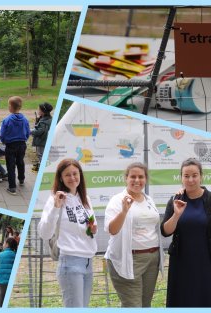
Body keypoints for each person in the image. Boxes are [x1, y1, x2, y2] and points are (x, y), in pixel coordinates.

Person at [161, 158, 211, 307]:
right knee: (181, 301)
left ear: (201, 176)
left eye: (194, 175)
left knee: (206, 301)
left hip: (206, 264)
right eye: (186, 176)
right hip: (181, 264)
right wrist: (176, 214)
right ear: (181, 177)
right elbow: (165, 232)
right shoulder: (175, 199)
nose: (190, 180)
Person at [38, 158, 98, 307]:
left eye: (75, 173)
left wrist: (92, 229)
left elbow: (89, 227)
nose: (72, 178)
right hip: (70, 262)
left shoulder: (85, 199)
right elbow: (44, 233)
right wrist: (56, 208)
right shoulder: (55, 200)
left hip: (88, 262)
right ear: (61, 178)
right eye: (67, 175)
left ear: (80, 175)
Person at [104, 162, 164, 307]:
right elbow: (112, 230)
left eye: (141, 177)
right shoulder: (117, 200)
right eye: (133, 177)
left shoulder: (148, 199)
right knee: (133, 305)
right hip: (129, 259)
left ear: (146, 179)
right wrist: (124, 211)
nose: (137, 180)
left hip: (152, 259)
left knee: (145, 304)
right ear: (126, 178)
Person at [0, 96, 30, 195]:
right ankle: (21, 179)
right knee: (20, 162)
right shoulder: (25, 119)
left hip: (11, 146)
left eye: (9, 105)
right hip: (22, 144)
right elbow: (28, 132)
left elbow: (2, 134)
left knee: (10, 166)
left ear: (11, 107)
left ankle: (12, 187)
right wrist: (24, 138)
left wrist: (3, 141)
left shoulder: (7, 120)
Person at [0, 237, 18, 307]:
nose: (3, 245)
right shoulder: (15, 255)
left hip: (2, 279)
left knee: (2, 294)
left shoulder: (0, 255)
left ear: (7, 244)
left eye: (4, 243)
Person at [31, 102, 53, 173]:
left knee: (41, 154)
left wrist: (30, 131)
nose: (37, 110)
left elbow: (39, 131)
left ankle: (44, 169)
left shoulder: (44, 122)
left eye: (39, 109)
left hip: (42, 141)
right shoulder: (46, 119)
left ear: (43, 111)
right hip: (44, 141)